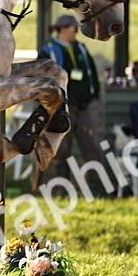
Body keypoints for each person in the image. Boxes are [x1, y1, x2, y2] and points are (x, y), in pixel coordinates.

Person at [36, 14, 104, 190]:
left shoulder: (80, 48)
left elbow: (91, 73)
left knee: (91, 145)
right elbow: (39, 80)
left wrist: (94, 96)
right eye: (74, 28)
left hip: (85, 106)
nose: (76, 32)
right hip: (61, 108)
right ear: (63, 29)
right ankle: (62, 188)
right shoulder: (48, 51)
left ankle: (97, 187)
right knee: (62, 148)